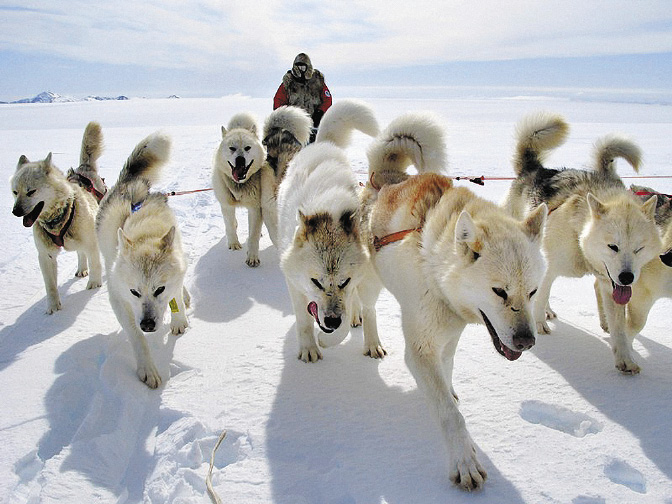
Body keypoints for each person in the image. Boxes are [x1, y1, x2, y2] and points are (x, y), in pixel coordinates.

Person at [273, 53, 332, 141]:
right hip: (294, 127)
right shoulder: (288, 83)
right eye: (298, 67)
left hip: (315, 124)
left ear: (308, 67)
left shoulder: (318, 81)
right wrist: (285, 117)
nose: (300, 70)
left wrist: (320, 112)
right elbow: (278, 101)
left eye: (303, 67)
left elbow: (327, 100)